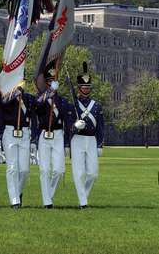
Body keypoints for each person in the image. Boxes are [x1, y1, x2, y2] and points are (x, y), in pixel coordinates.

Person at [35, 67, 73, 209]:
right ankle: (47, 202)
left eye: (54, 81)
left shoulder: (62, 101)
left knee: (58, 170)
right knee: (44, 170)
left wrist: (67, 143)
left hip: (58, 135)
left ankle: (49, 194)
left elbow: (67, 122)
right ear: (46, 83)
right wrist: (48, 94)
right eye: (49, 81)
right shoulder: (41, 98)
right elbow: (36, 106)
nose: (52, 83)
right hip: (44, 135)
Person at [67, 63, 104, 209]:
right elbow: (68, 126)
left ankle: (84, 196)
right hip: (78, 139)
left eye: (88, 87)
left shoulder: (96, 105)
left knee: (93, 174)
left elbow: (101, 126)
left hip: (92, 140)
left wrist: (100, 144)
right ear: (79, 88)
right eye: (84, 87)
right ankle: (83, 202)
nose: (86, 89)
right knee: (79, 172)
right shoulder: (73, 105)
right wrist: (75, 127)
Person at [0, 86, 37, 208]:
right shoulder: (6, 97)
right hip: (9, 132)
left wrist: (34, 138)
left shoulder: (29, 98)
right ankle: (14, 200)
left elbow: (34, 118)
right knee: (12, 168)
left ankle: (18, 192)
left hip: (25, 132)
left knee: (24, 170)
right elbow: (2, 106)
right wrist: (14, 94)